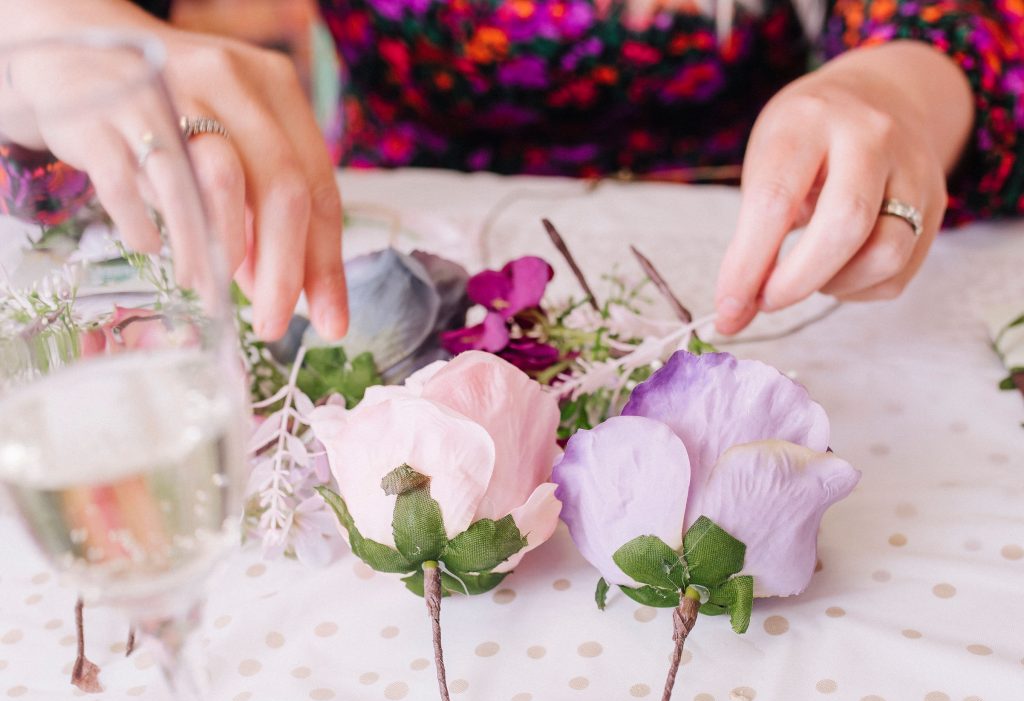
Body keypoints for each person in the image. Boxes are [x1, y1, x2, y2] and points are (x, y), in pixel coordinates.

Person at [2, 0, 1021, 343]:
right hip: (399, 279)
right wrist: (33, 42)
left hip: (770, 276)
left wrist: (895, 98)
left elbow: (956, 28)